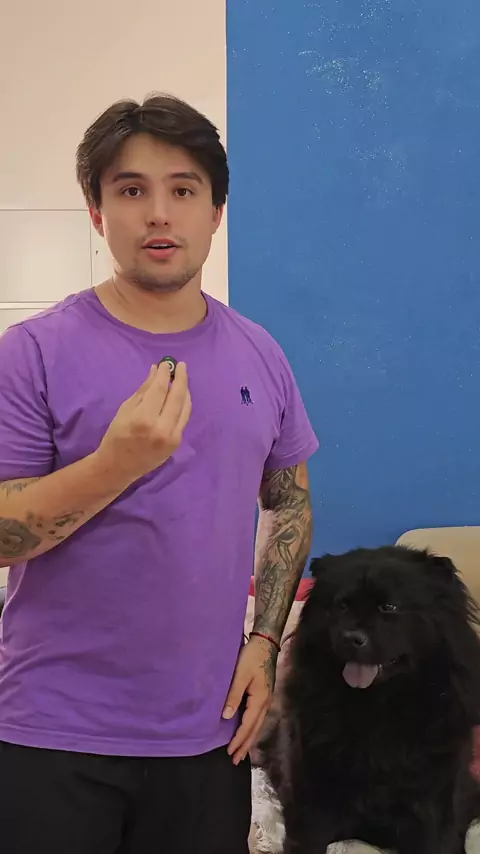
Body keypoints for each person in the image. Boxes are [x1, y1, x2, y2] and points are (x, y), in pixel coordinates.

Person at [0, 93, 319, 853]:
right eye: (131, 190)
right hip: (51, 733)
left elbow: (289, 504)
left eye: (183, 189)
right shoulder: (32, 352)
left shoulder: (261, 354)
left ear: (215, 213)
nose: (158, 214)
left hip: (206, 735)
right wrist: (117, 465)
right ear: (97, 212)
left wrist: (264, 641)